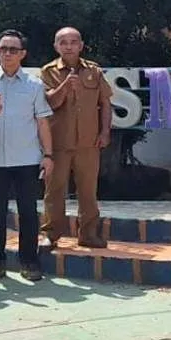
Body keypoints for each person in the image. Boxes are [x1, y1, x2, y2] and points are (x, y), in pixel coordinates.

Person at [0, 30, 55, 283]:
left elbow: (42, 122)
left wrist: (48, 155)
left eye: (13, 50)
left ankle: (29, 261)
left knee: (28, 212)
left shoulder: (34, 84)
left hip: (27, 159)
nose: (8, 53)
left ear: (22, 54)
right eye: (3, 48)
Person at [39, 27, 113, 250]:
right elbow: (49, 103)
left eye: (73, 42)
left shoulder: (94, 71)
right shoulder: (47, 71)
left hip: (88, 142)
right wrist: (65, 86)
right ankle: (51, 234)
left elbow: (106, 104)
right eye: (63, 42)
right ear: (56, 46)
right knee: (54, 190)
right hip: (58, 142)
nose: (68, 46)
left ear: (81, 45)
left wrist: (105, 132)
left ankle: (89, 234)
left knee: (88, 190)